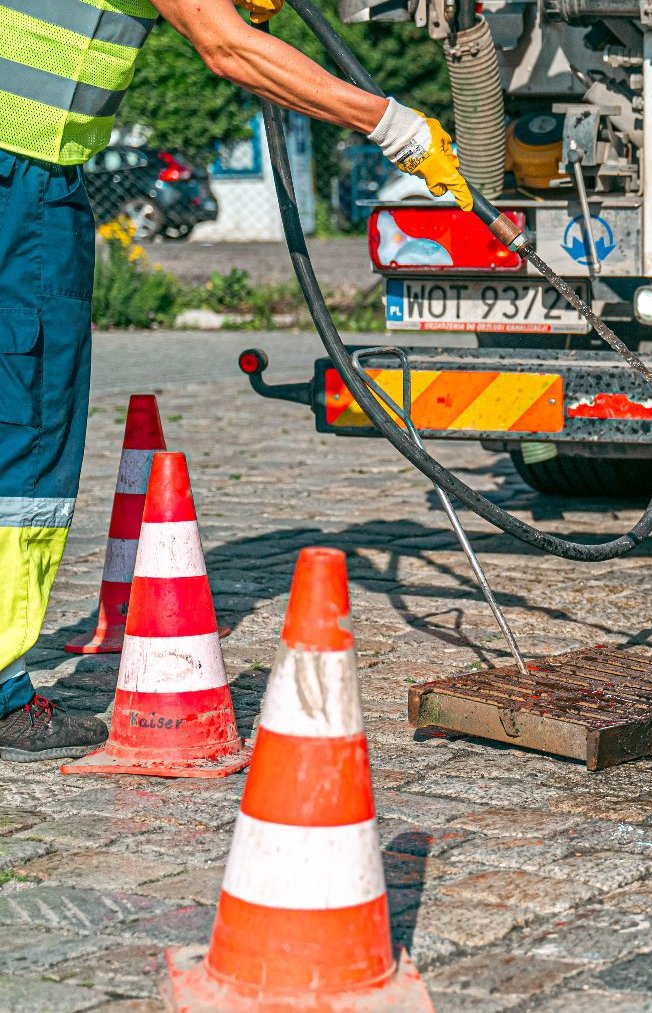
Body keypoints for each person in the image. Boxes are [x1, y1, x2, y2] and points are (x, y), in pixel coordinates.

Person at [0, 0, 472, 759]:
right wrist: (394, 126)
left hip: (23, 176)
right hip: (19, 189)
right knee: (23, 422)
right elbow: (227, 48)